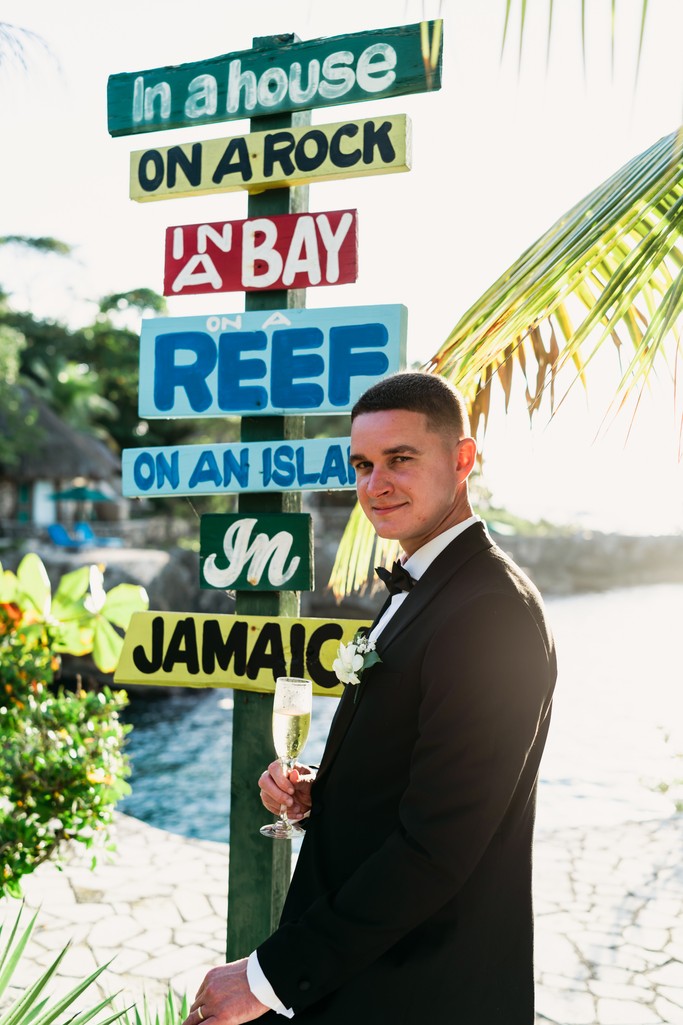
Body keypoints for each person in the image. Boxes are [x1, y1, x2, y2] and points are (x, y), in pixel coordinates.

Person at [184, 371, 557, 1025]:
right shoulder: (424, 585)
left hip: (422, 985)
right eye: (361, 464)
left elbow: (437, 844)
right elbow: (411, 773)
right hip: (368, 969)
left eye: (400, 459)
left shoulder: (491, 610)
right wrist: (322, 792)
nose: (374, 484)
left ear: (462, 460)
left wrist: (267, 977)